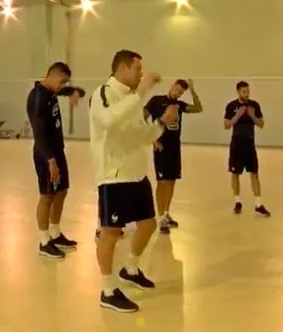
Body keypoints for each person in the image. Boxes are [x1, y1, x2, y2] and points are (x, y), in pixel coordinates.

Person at [89, 49, 178, 313]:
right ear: (124, 68)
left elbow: (139, 135)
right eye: (138, 68)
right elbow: (109, 121)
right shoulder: (103, 93)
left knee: (148, 224)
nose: (141, 73)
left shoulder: (131, 98)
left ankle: (131, 268)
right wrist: (141, 92)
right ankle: (107, 290)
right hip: (114, 176)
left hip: (137, 174)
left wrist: (160, 124)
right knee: (110, 233)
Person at [26, 62, 77, 259]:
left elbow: (68, 90)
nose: (63, 86)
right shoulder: (38, 97)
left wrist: (73, 93)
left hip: (57, 151)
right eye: (62, 81)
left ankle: (55, 233)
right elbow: (38, 134)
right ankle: (44, 241)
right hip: (45, 154)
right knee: (46, 196)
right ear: (52, 76)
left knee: (62, 191)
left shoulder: (51, 92)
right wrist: (50, 160)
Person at [145, 79, 203, 234]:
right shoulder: (156, 101)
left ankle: (166, 212)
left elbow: (198, 108)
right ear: (171, 86)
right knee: (162, 182)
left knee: (171, 181)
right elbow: (141, 119)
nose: (177, 93)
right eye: (176, 89)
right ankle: (160, 216)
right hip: (161, 147)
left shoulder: (180, 105)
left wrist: (192, 91)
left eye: (181, 92)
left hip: (174, 147)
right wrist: (152, 139)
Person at [224, 81, 271, 216]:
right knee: (235, 173)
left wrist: (252, 116)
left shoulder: (254, 105)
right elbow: (226, 125)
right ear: (238, 92)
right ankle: (237, 201)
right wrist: (237, 116)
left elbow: (261, 124)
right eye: (244, 92)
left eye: (248, 92)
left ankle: (258, 204)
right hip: (236, 143)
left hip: (250, 143)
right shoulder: (231, 106)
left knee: (254, 173)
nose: (246, 94)